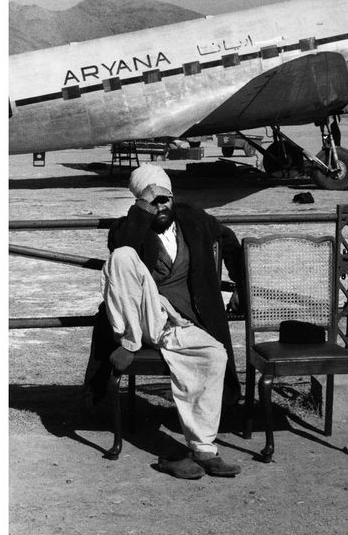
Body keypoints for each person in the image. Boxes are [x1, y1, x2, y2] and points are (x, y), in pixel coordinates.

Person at [84, 164, 245, 479]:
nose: (160, 206)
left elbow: (229, 242)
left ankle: (203, 449)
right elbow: (120, 247)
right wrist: (141, 211)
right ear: (140, 201)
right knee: (123, 257)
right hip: (144, 317)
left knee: (216, 354)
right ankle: (128, 342)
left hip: (182, 322)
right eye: (152, 200)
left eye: (164, 199)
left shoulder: (195, 220)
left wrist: (240, 286)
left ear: (174, 197)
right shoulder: (129, 227)